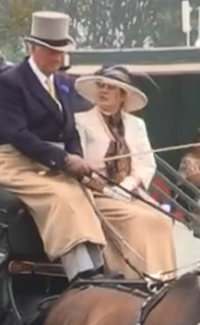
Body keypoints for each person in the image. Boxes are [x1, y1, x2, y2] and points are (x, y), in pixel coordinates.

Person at [0, 11, 109, 282]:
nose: (58, 58)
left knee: (81, 194)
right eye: (51, 51)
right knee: (62, 198)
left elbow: (71, 132)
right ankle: (81, 275)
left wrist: (76, 158)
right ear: (33, 48)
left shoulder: (64, 85)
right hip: (16, 165)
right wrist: (64, 160)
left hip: (54, 165)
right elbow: (17, 134)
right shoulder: (10, 83)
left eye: (61, 52)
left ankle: (99, 269)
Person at [74, 64, 177, 280]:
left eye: (110, 87)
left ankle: (163, 280)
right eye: (100, 86)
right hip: (98, 194)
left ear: (122, 95)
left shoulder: (136, 124)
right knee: (139, 220)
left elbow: (146, 163)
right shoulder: (81, 121)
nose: (103, 91)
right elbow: (79, 163)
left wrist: (128, 186)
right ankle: (135, 279)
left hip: (130, 192)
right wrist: (107, 189)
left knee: (162, 220)